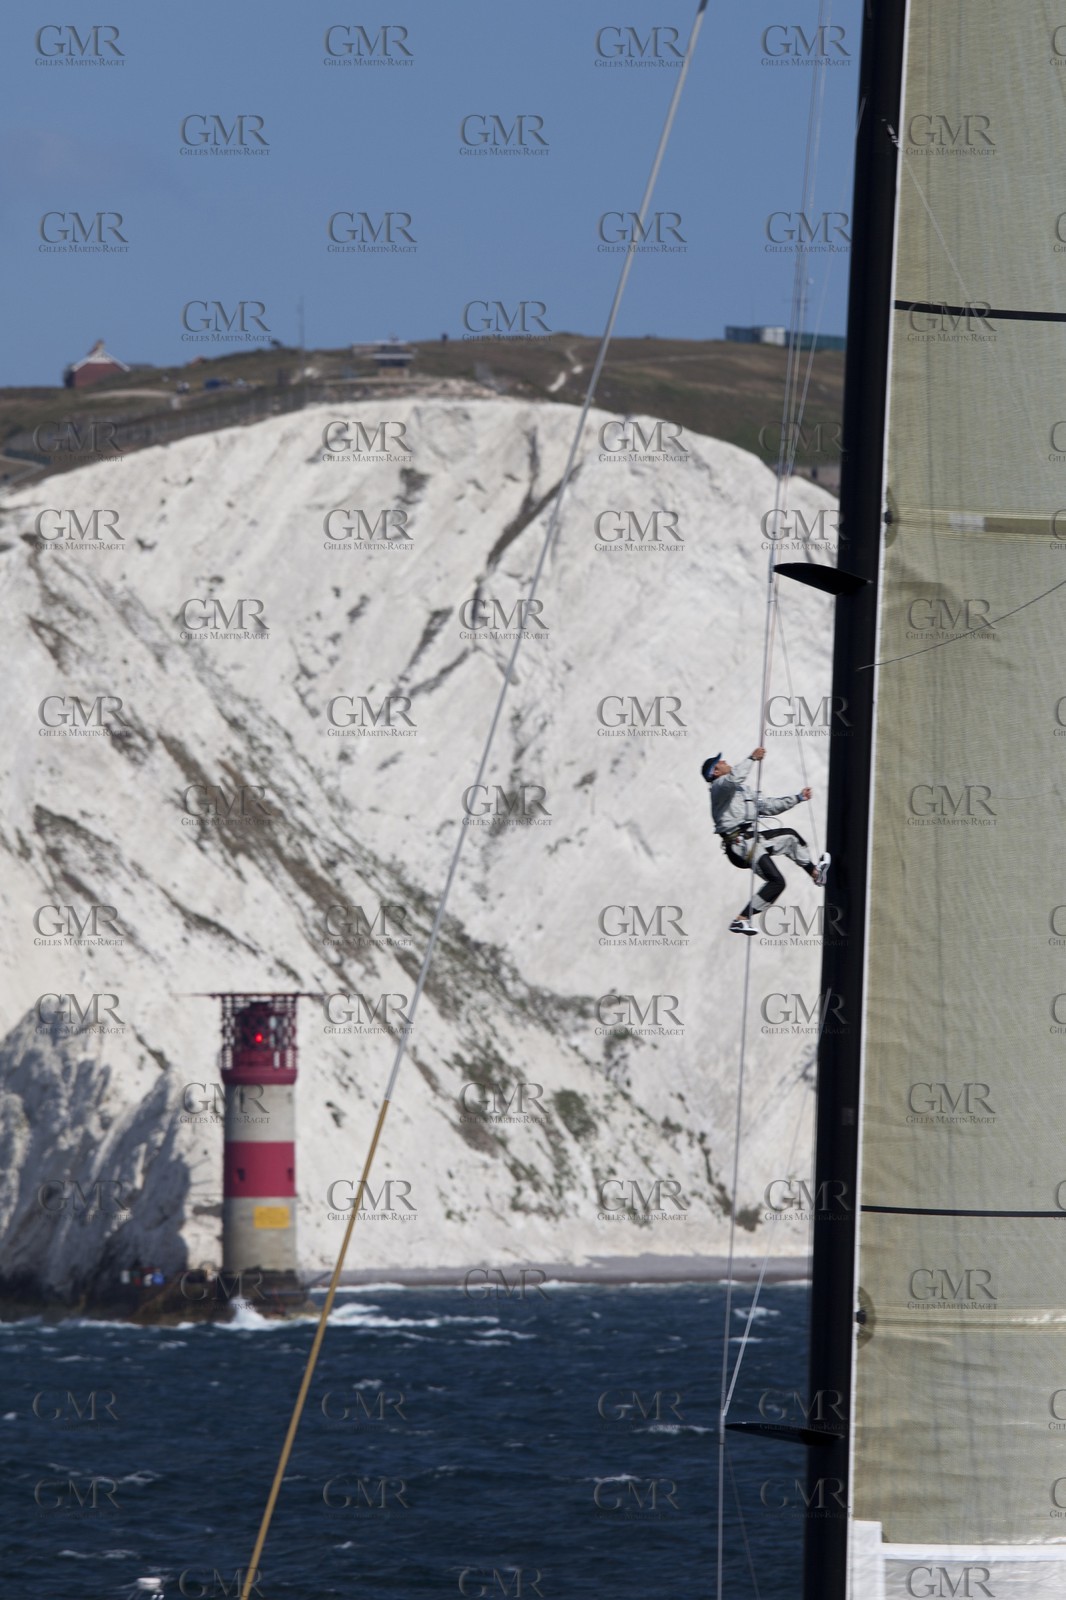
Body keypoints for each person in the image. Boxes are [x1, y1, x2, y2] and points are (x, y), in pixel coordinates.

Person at [702, 747, 829, 935]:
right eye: (720, 762)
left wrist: (798, 798)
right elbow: (733, 778)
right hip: (739, 846)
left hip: (752, 840)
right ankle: (741, 919)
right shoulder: (719, 788)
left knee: (790, 837)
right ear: (715, 772)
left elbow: (768, 806)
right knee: (777, 882)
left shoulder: (740, 791)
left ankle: (816, 874)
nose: (724, 761)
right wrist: (752, 758)